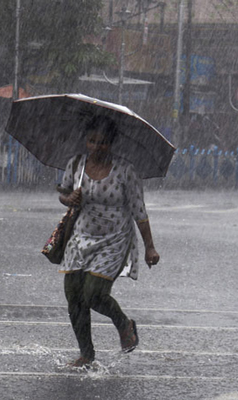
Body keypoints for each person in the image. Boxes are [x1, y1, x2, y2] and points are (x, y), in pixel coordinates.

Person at [57, 115, 160, 368]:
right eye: (92, 141)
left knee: (93, 293)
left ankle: (124, 324)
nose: (96, 147)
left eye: (102, 142)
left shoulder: (126, 171)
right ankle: (86, 354)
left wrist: (150, 246)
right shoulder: (76, 165)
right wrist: (70, 199)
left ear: (111, 143)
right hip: (81, 236)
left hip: (114, 239)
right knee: (73, 294)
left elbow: (139, 210)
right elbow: (63, 193)